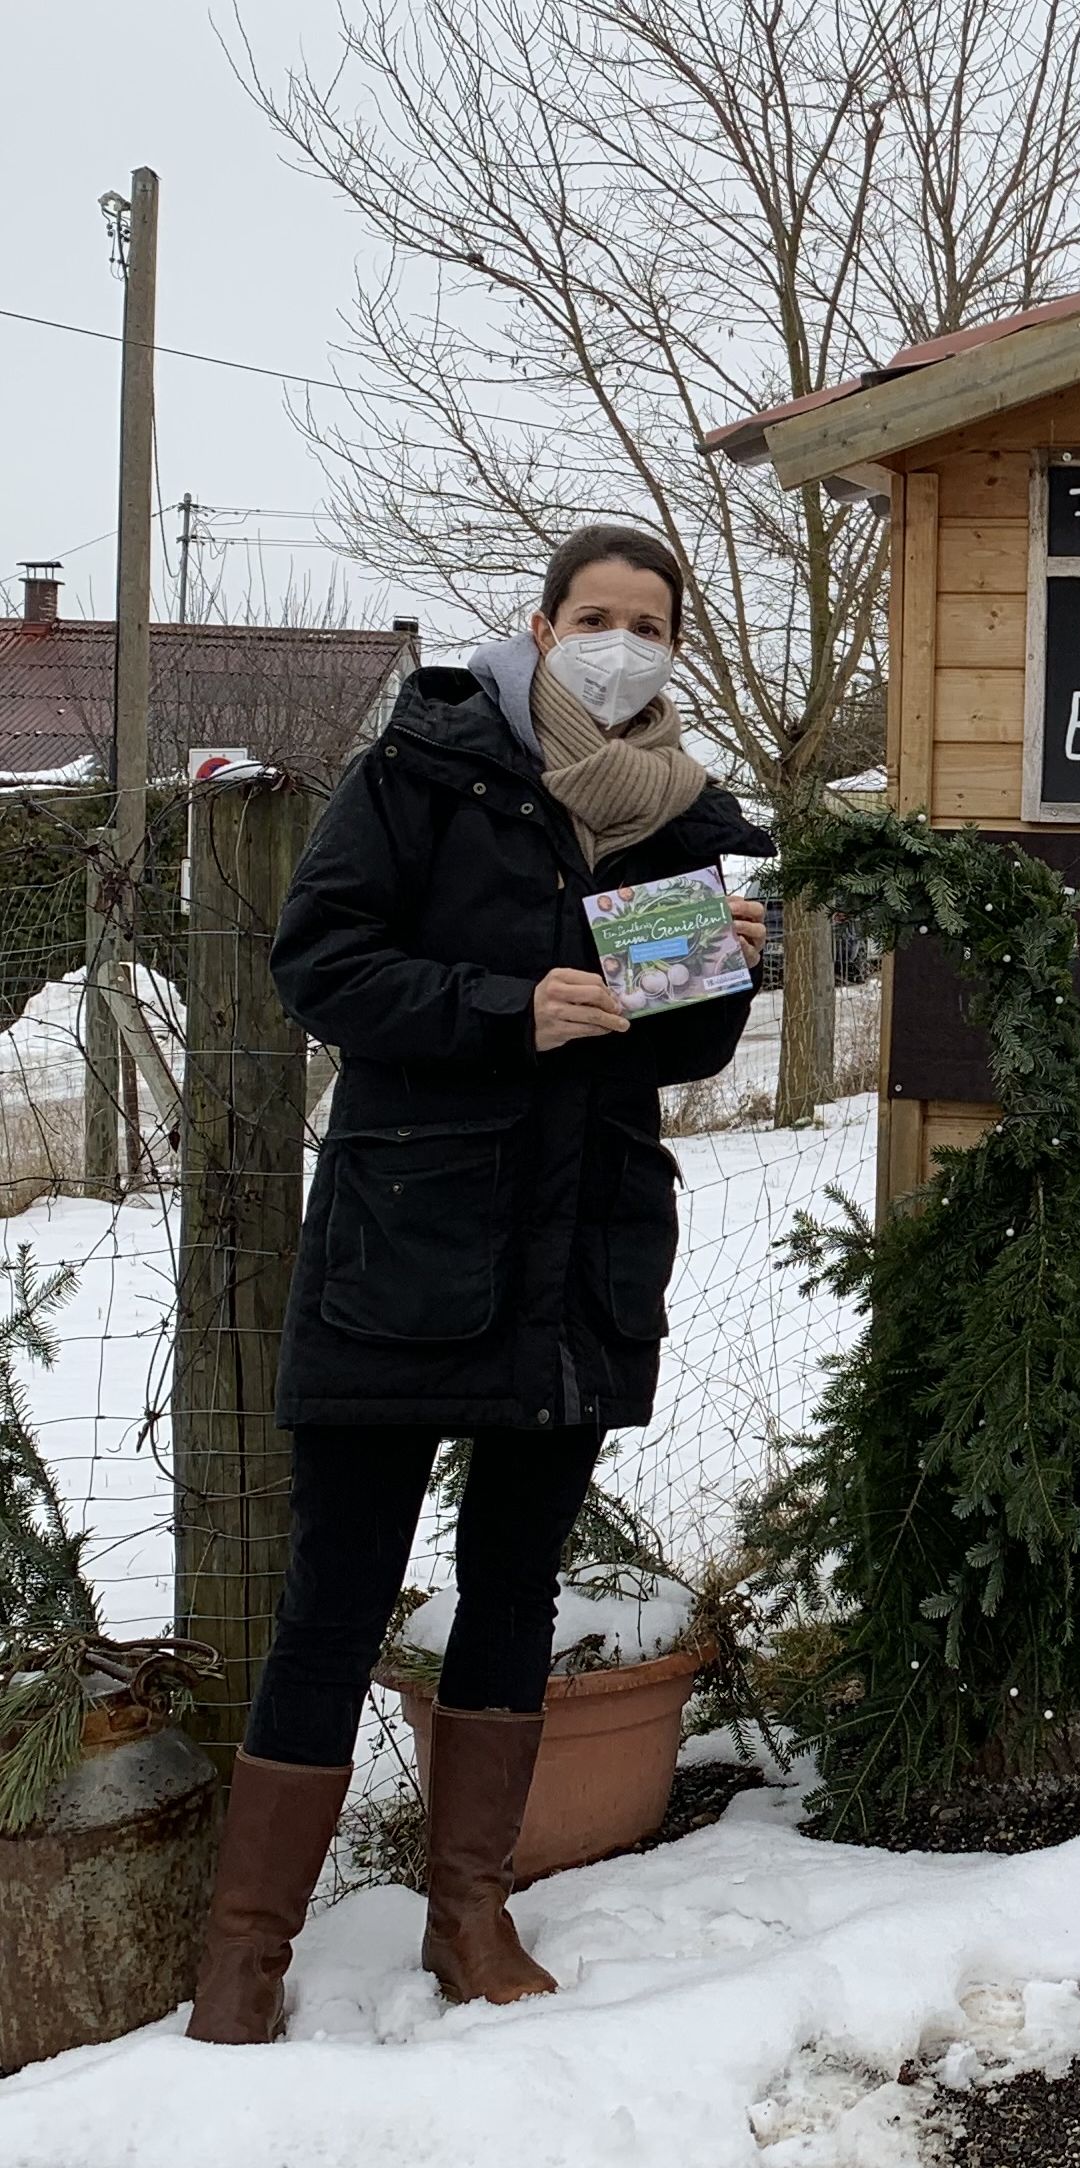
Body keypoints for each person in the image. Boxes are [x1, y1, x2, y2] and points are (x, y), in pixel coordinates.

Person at [185, 524, 774, 2043]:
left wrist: (724, 971)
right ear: (540, 623)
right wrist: (509, 1004)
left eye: (649, 623)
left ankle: (469, 1910)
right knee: (337, 1593)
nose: (621, 642)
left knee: (516, 1584)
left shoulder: (687, 818)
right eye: (597, 616)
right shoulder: (426, 768)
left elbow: (682, 1051)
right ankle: (245, 1949)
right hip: (410, 1241)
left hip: (577, 1249)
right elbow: (319, 963)